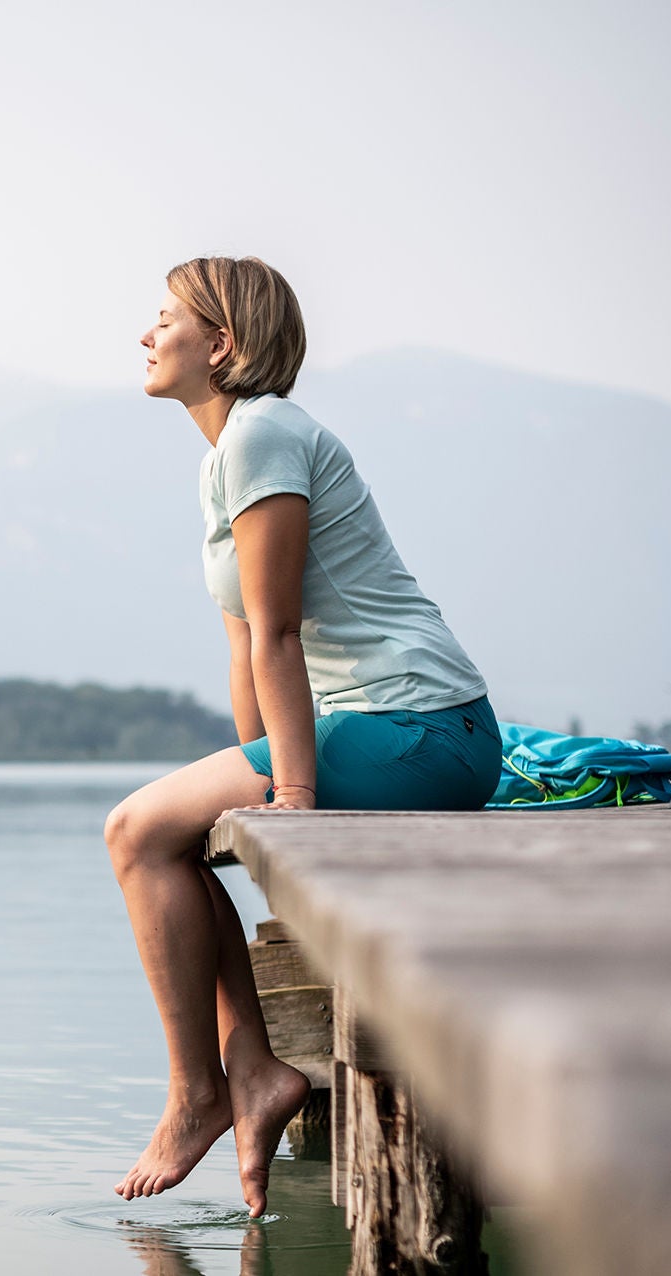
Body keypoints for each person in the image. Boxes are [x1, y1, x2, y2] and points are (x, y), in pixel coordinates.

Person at [105, 256, 500, 1215]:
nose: (146, 335)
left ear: (223, 344)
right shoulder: (225, 455)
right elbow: (245, 646)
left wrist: (290, 800)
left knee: (132, 831)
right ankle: (250, 1074)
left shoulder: (265, 434)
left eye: (166, 319)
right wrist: (248, 801)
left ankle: (204, 1090)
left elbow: (280, 632)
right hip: (369, 725)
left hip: (424, 728)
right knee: (174, 839)